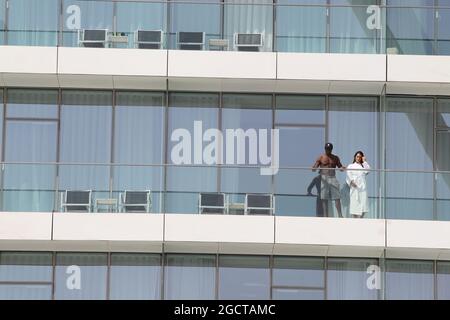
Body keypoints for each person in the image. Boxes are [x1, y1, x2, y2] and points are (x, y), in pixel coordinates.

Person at [312, 143, 345, 218]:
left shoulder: (335, 158)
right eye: (327, 149)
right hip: (324, 178)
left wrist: (342, 168)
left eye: (329, 149)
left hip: (333, 177)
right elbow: (315, 167)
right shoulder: (321, 157)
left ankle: (340, 215)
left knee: (337, 197)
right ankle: (325, 215)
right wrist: (314, 168)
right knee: (324, 197)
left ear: (331, 149)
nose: (328, 150)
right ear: (325, 149)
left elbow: (340, 167)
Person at [346, 151, 371, 218]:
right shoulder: (350, 166)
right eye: (357, 156)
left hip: (362, 187)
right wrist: (351, 181)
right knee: (354, 204)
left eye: (360, 157)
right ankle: (355, 219)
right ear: (355, 157)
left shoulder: (363, 167)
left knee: (364, 204)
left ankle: (360, 219)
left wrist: (365, 161)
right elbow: (348, 175)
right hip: (354, 187)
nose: (358, 158)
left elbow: (368, 170)